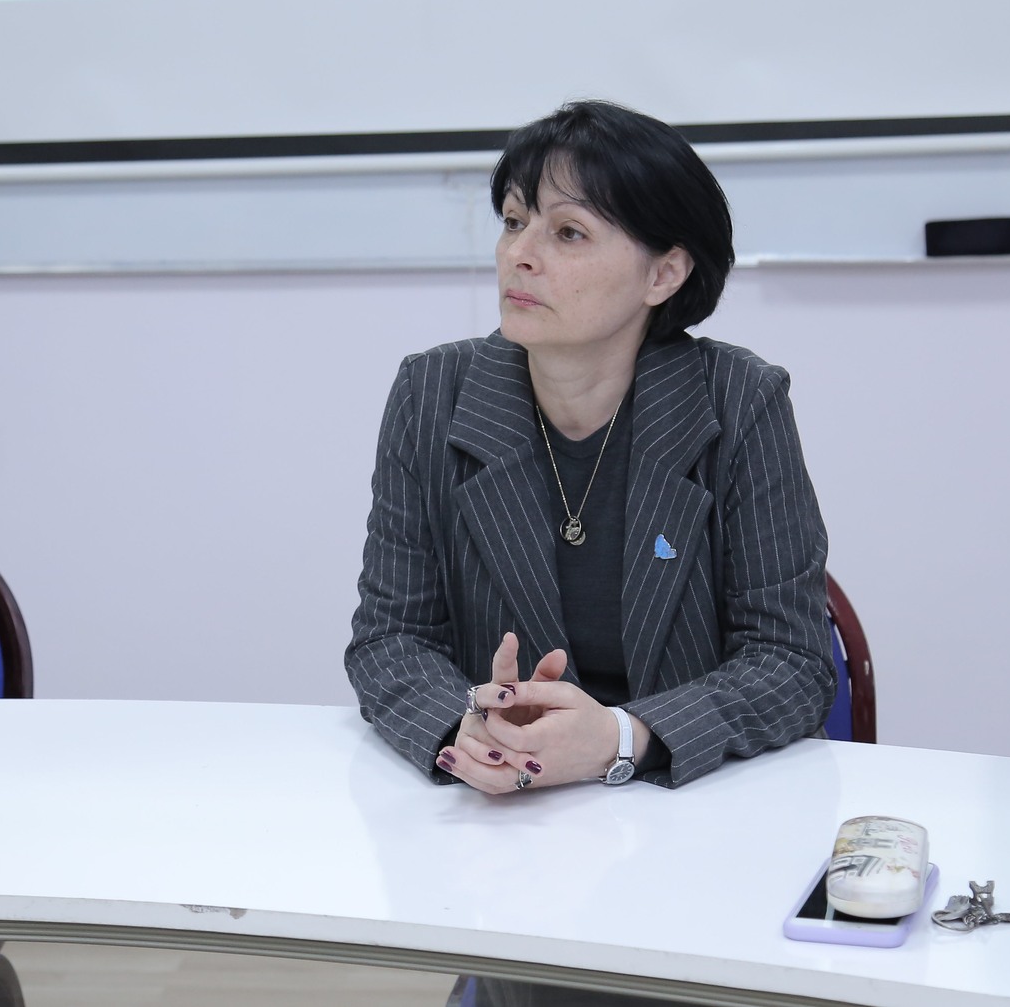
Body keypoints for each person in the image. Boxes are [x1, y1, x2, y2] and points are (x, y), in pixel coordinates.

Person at [345, 100, 834, 798]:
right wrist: (467, 730)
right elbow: (390, 639)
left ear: (663, 274)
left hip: (689, 806)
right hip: (504, 815)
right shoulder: (433, 393)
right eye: (514, 221)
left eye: (568, 232)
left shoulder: (738, 400)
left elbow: (791, 662)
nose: (520, 253)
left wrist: (620, 736)